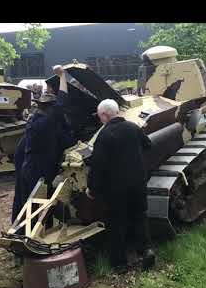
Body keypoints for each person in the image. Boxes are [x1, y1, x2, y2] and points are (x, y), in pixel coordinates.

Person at [86, 99, 155, 274]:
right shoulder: (133, 127)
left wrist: (92, 189)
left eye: (99, 115)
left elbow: (98, 166)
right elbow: (149, 145)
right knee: (139, 216)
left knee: (116, 224)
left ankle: (120, 263)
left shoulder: (105, 135)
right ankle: (146, 251)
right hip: (138, 183)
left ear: (104, 115)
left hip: (116, 189)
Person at [20, 65, 75, 226]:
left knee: (31, 202)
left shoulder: (34, 119)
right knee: (39, 202)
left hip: (29, 165)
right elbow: (63, 99)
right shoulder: (48, 121)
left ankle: (35, 229)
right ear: (50, 108)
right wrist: (62, 76)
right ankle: (38, 232)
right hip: (41, 169)